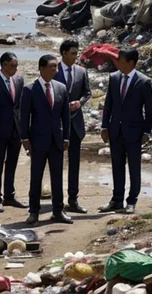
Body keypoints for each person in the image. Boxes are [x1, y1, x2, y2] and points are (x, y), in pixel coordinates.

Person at [99, 49, 152, 214]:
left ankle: (131, 201)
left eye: (120, 60)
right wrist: (104, 126)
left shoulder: (143, 82)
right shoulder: (114, 78)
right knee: (117, 166)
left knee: (134, 168)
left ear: (131, 62)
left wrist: (146, 132)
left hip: (134, 132)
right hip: (115, 130)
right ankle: (116, 200)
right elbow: (108, 104)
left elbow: (149, 110)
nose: (117, 63)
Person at [21, 54, 72, 226]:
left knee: (57, 177)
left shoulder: (61, 88)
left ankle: (58, 211)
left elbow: (66, 116)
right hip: (38, 140)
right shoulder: (29, 89)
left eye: (56, 67)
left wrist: (66, 137)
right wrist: (25, 138)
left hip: (56, 139)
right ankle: (33, 212)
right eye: (51, 66)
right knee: (36, 177)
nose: (54, 70)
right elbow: (23, 117)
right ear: (41, 68)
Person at [54, 39, 91, 213]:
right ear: (64, 53)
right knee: (56, 163)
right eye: (73, 53)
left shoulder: (81, 71)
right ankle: (57, 200)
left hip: (75, 122)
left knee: (74, 163)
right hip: (57, 123)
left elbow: (87, 93)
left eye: (77, 53)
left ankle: (73, 199)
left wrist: (79, 103)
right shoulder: (53, 69)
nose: (76, 56)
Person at [0, 52, 26, 213]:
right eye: (12, 66)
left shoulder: (18, 80)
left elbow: (20, 105)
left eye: (16, 66)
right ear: (3, 65)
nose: (15, 69)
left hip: (16, 128)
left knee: (12, 163)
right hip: (0, 129)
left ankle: (10, 195)